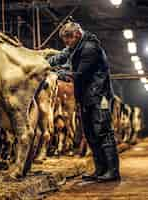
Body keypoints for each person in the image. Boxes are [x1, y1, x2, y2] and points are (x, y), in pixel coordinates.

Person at [48, 20, 121, 182]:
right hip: (87, 97)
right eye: (64, 40)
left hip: (98, 96)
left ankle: (112, 172)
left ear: (78, 34)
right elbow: (62, 55)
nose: (66, 43)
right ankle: (100, 170)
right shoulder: (77, 46)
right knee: (91, 134)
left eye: (69, 39)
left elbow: (80, 74)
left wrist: (58, 74)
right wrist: (44, 63)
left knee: (103, 132)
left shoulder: (90, 48)